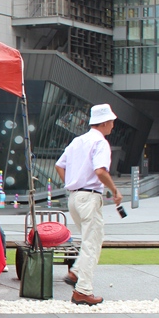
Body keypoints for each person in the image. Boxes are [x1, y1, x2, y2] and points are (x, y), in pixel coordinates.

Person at [55, 103, 122, 306]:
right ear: (103, 122)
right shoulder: (100, 143)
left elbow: (59, 165)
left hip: (74, 197)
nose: (113, 125)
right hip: (90, 196)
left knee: (88, 241)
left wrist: (71, 183)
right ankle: (82, 289)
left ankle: (76, 273)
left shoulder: (77, 141)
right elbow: (101, 171)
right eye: (111, 121)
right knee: (92, 243)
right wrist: (115, 191)